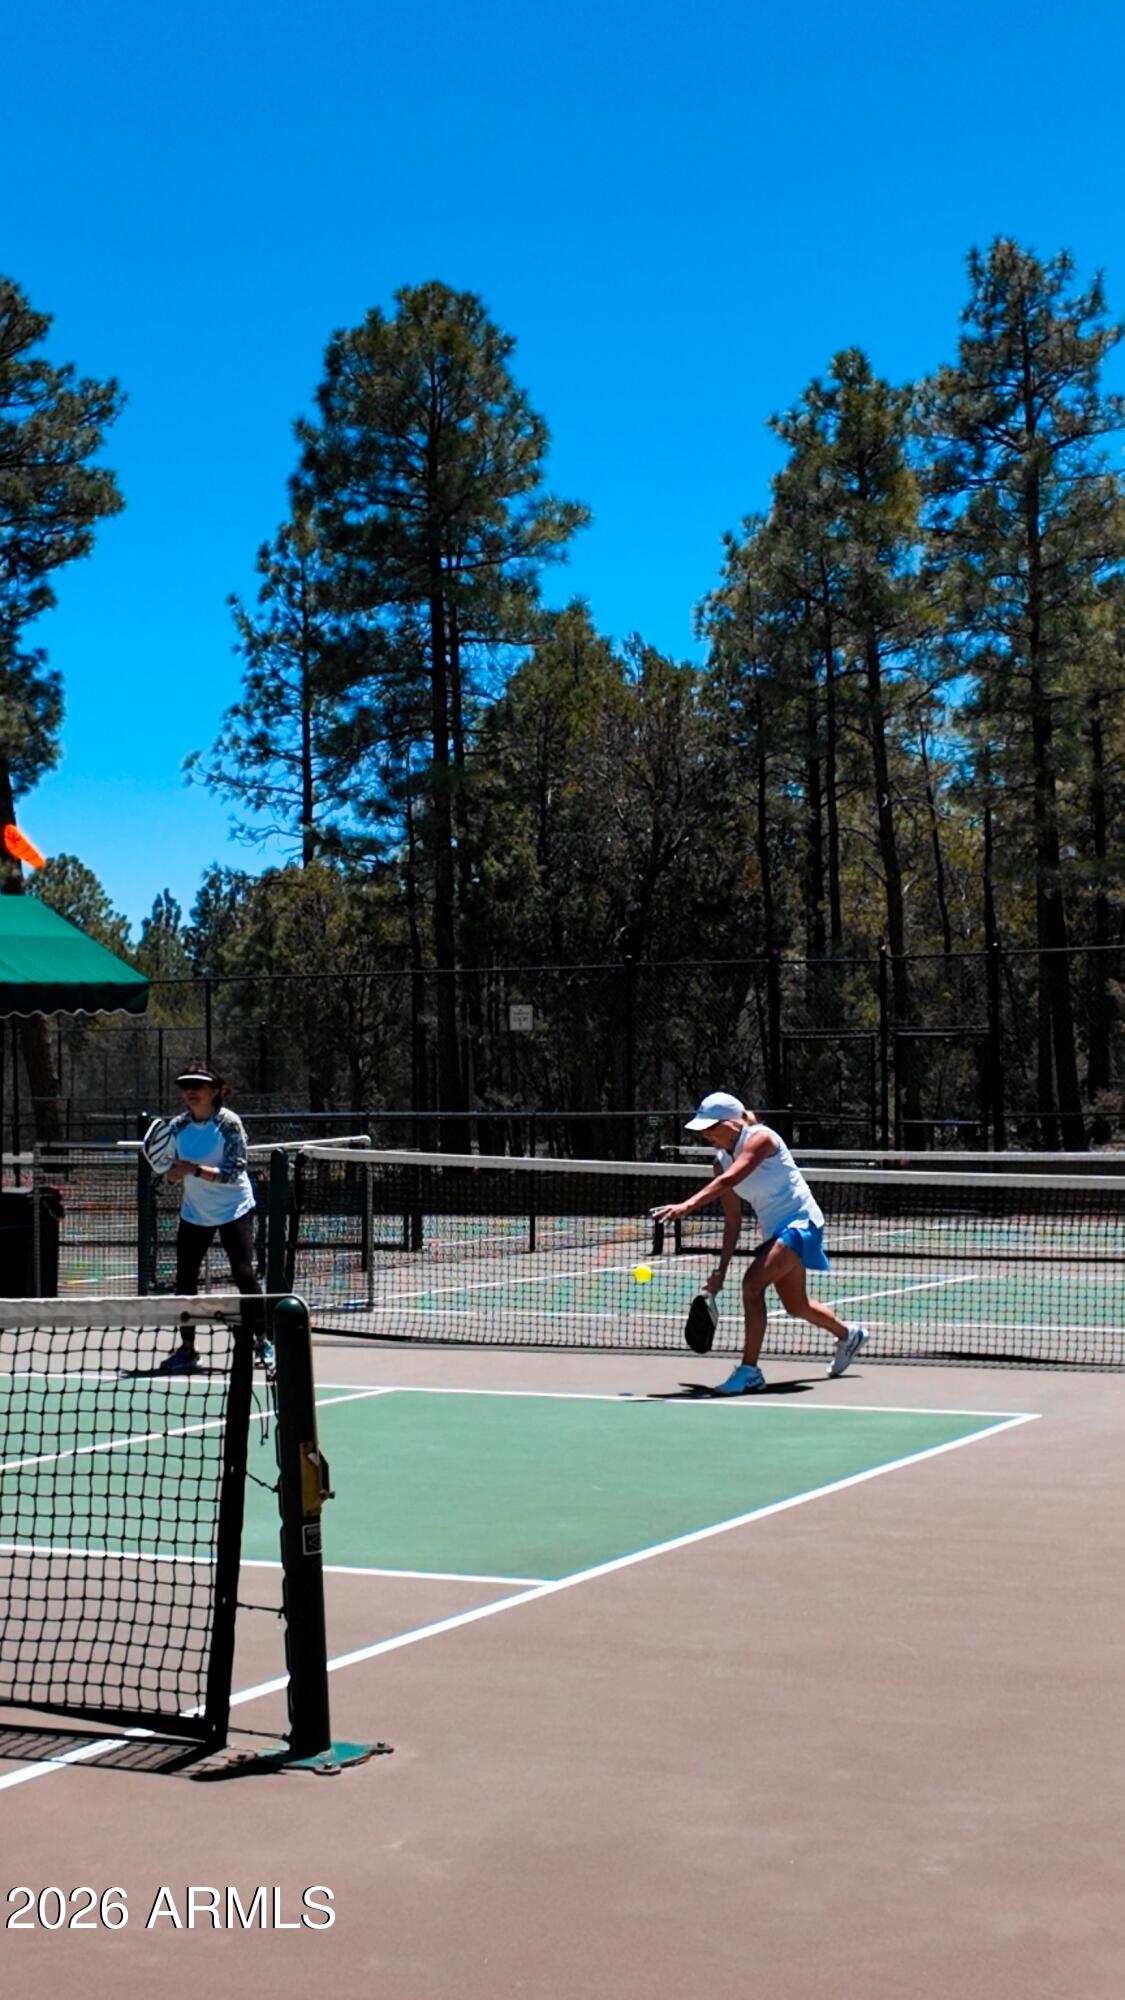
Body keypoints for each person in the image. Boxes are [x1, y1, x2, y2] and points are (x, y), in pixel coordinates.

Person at [652, 1090, 867, 1395]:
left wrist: (687, 1206)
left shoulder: (761, 1139)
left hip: (801, 1222)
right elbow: (733, 1221)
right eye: (704, 1130)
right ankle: (849, 1334)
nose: (707, 1135)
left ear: (732, 1123)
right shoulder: (719, 1162)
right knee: (796, 1305)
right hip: (774, 1232)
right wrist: (720, 1272)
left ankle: (750, 1371)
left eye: (712, 1128)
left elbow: (731, 1180)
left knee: (752, 1285)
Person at [159, 1063, 274, 1378]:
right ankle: (187, 1349)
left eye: (198, 1086)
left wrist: (191, 1169)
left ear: (215, 1091)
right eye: (186, 1087)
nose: (191, 1092)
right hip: (195, 1212)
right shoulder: (177, 1126)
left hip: (234, 1207)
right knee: (184, 1280)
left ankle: (263, 1342)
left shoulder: (228, 1124)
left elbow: (233, 1171)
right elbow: (168, 1172)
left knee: (244, 1274)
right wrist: (170, 1175)